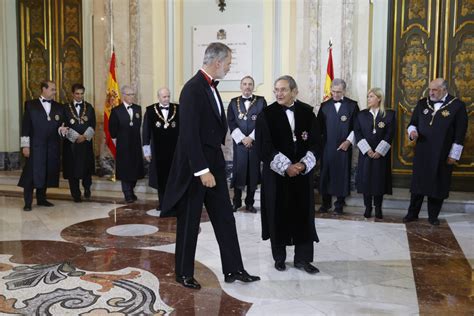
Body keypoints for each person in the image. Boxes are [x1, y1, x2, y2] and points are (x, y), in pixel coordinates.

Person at [161, 42, 260, 289]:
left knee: (225, 218)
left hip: (213, 164)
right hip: (196, 168)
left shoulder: (211, 88)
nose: (229, 67)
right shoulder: (192, 89)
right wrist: (202, 170)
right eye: (228, 63)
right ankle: (183, 274)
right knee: (189, 223)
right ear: (217, 61)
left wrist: (213, 167)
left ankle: (234, 269)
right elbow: (189, 134)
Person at [256, 75, 321, 274]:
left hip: (302, 176)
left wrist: (302, 164)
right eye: (276, 89)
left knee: (303, 215)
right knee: (277, 214)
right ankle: (279, 258)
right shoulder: (266, 114)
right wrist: (286, 167)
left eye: (283, 89)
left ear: (294, 91)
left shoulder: (308, 113)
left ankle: (303, 259)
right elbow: (264, 146)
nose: (279, 93)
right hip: (277, 177)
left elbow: (317, 142)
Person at [403, 78, 468, 226]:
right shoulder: (422, 104)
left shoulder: (457, 106)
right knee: (418, 185)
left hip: (442, 153)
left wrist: (454, 154)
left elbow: (460, 133)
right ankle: (412, 213)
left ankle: (433, 216)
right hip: (422, 151)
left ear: (444, 90)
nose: (431, 93)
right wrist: (412, 132)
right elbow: (412, 124)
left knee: (437, 184)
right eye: (430, 89)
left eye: (435, 90)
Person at [18, 81, 69, 211]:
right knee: (31, 175)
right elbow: (25, 127)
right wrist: (25, 146)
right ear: (44, 89)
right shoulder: (31, 105)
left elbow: (61, 126)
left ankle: (41, 199)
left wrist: (62, 131)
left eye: (55, 89)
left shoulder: (59, 107)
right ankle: (28, 202)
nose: (55, 92)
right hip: (35, 147)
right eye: (52, 89)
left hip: (52, 147)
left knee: (46, 173)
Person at [318, 78, 359, 214]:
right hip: (327, 147)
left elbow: (357, 128)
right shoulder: (324, 106)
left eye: (338, 92)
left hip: (344, 147)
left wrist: (348, 142)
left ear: (344, 91)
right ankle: (325, 203)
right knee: (326, 174)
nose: (335, 95)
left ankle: (339, 205)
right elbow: (319, 128)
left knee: (342, 174)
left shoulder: (352, 106)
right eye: (333, 91)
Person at [354, 88, 395, 219]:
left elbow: (390, 134)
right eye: (368, 96)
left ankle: (378, 208)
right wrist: (367, 150)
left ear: (379, 98)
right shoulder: (361, 115)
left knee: (379, 181)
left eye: (371, 96)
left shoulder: (389, 114)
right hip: (366, 154)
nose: (368, 99)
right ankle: (367, 207)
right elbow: (358, 133)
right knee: (366, 181)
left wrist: (379, 151)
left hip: (381, 155)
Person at [227, 75, 267, 213]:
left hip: (254, 144)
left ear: (253, 86)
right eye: (244, 84)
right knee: (239, 172)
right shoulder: (233, 103)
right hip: (240, 145)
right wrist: (243, 139)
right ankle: (236, 202)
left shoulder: (261, 101)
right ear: (241, 86)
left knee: (253, 173)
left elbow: (263, 122)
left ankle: (250, 203)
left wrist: (251, 138)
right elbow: (231, 123)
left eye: (250, 84)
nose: (247, 86)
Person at [143, 87, 179, 210]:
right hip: (157, 151)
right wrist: (147, 152)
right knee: (161, 178)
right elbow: (146, 133)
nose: (167, 99)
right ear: (158, 97)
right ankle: (162, 203)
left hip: (174, 151)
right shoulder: (150, 111)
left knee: (173, 178)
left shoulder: (177, 109)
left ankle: (173, 202)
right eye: (164, 97)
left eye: (168, 96)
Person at [108, 85, 145, 203]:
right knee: (125, 170)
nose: (132, 97)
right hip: (123, 145)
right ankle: (127, 193)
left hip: (135, 144)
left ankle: (131, 190)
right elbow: (112, 130)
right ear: (123, 95)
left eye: (133, 94)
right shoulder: (116, 111)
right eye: (129, 94)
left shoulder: (138, 109)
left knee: (135, 170)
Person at [62, 83, 96, 202]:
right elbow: (63, 126)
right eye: (77, 93)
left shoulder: (89, 107)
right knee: (73, 170)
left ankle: (87, 188)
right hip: (71, 145)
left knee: (86, 169)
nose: (79, 96)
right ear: (72, 94)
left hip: (85, 144)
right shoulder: (65, 108)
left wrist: (85, 136)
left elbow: (93, 125)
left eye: (81, 94)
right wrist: (75, 136)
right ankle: (75, 194)